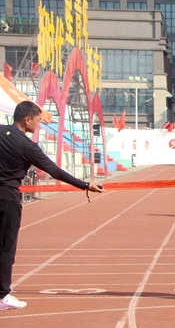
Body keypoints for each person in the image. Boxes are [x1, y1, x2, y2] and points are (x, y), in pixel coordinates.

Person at [0, 101, 104, 310]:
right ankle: (2, 295)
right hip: (7, 200)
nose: (38, 125)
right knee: (6, 248)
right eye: (38, 121)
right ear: (27, 120)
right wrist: (85, 185)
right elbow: (54, 171)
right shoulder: (27, 146)